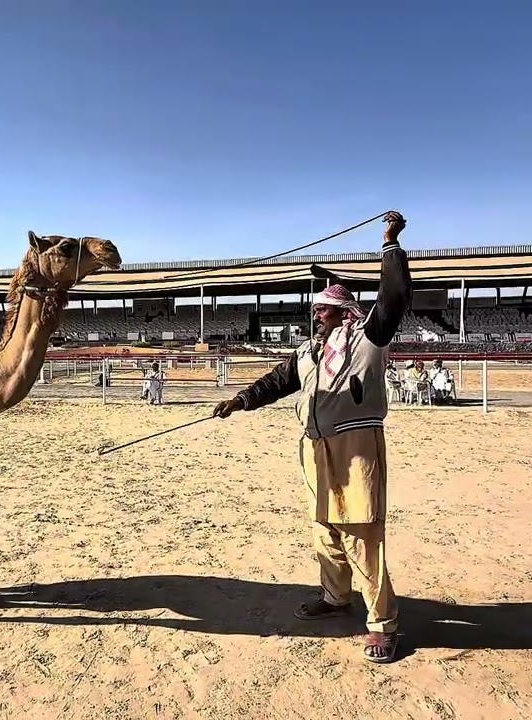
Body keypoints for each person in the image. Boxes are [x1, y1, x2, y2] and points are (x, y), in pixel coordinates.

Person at [212, 210, 412, 663]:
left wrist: (390, 243)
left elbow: (396, 296)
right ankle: (336, 597)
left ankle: (382, 624)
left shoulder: (369, 339)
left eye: (323, 309)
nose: (315, 315)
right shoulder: (308, 351)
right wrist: (239, 401)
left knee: (361, 532)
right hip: (313, 448)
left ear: (344, 312)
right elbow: (276, 382)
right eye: (315, 310)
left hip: (355, 446)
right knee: (325, 528)